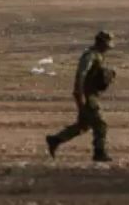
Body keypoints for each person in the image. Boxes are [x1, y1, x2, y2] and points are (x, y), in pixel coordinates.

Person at [46, 30, 116, 163]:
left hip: (91, 94)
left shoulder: (98, 55)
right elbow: (81, 74)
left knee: (83, 125)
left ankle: (55, 140)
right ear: (101, 43)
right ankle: (99, 153)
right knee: (100, 124)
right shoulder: (90, 56)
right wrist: (79, 93)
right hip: (87, 95)